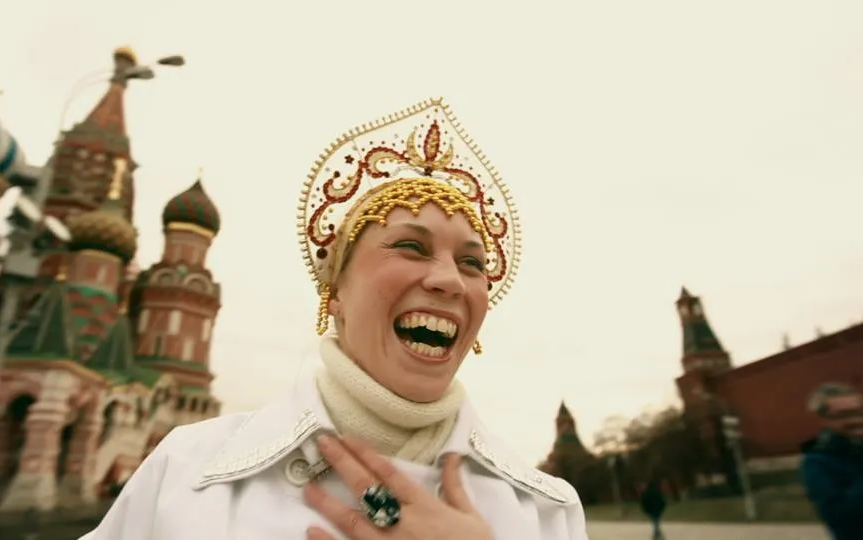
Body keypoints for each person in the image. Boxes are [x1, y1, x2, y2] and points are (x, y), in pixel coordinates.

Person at [80, 98, 588, 539]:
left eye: (472, 263)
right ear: (335, 292)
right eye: (411, 246)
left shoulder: (546, 511)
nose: (451, 281)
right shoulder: (185, 470)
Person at [800, 382, 863, 540]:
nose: (856, 420)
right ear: (824, 420)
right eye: (843, 415)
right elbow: (839, 515)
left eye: (859, 412)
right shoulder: (818, 462)